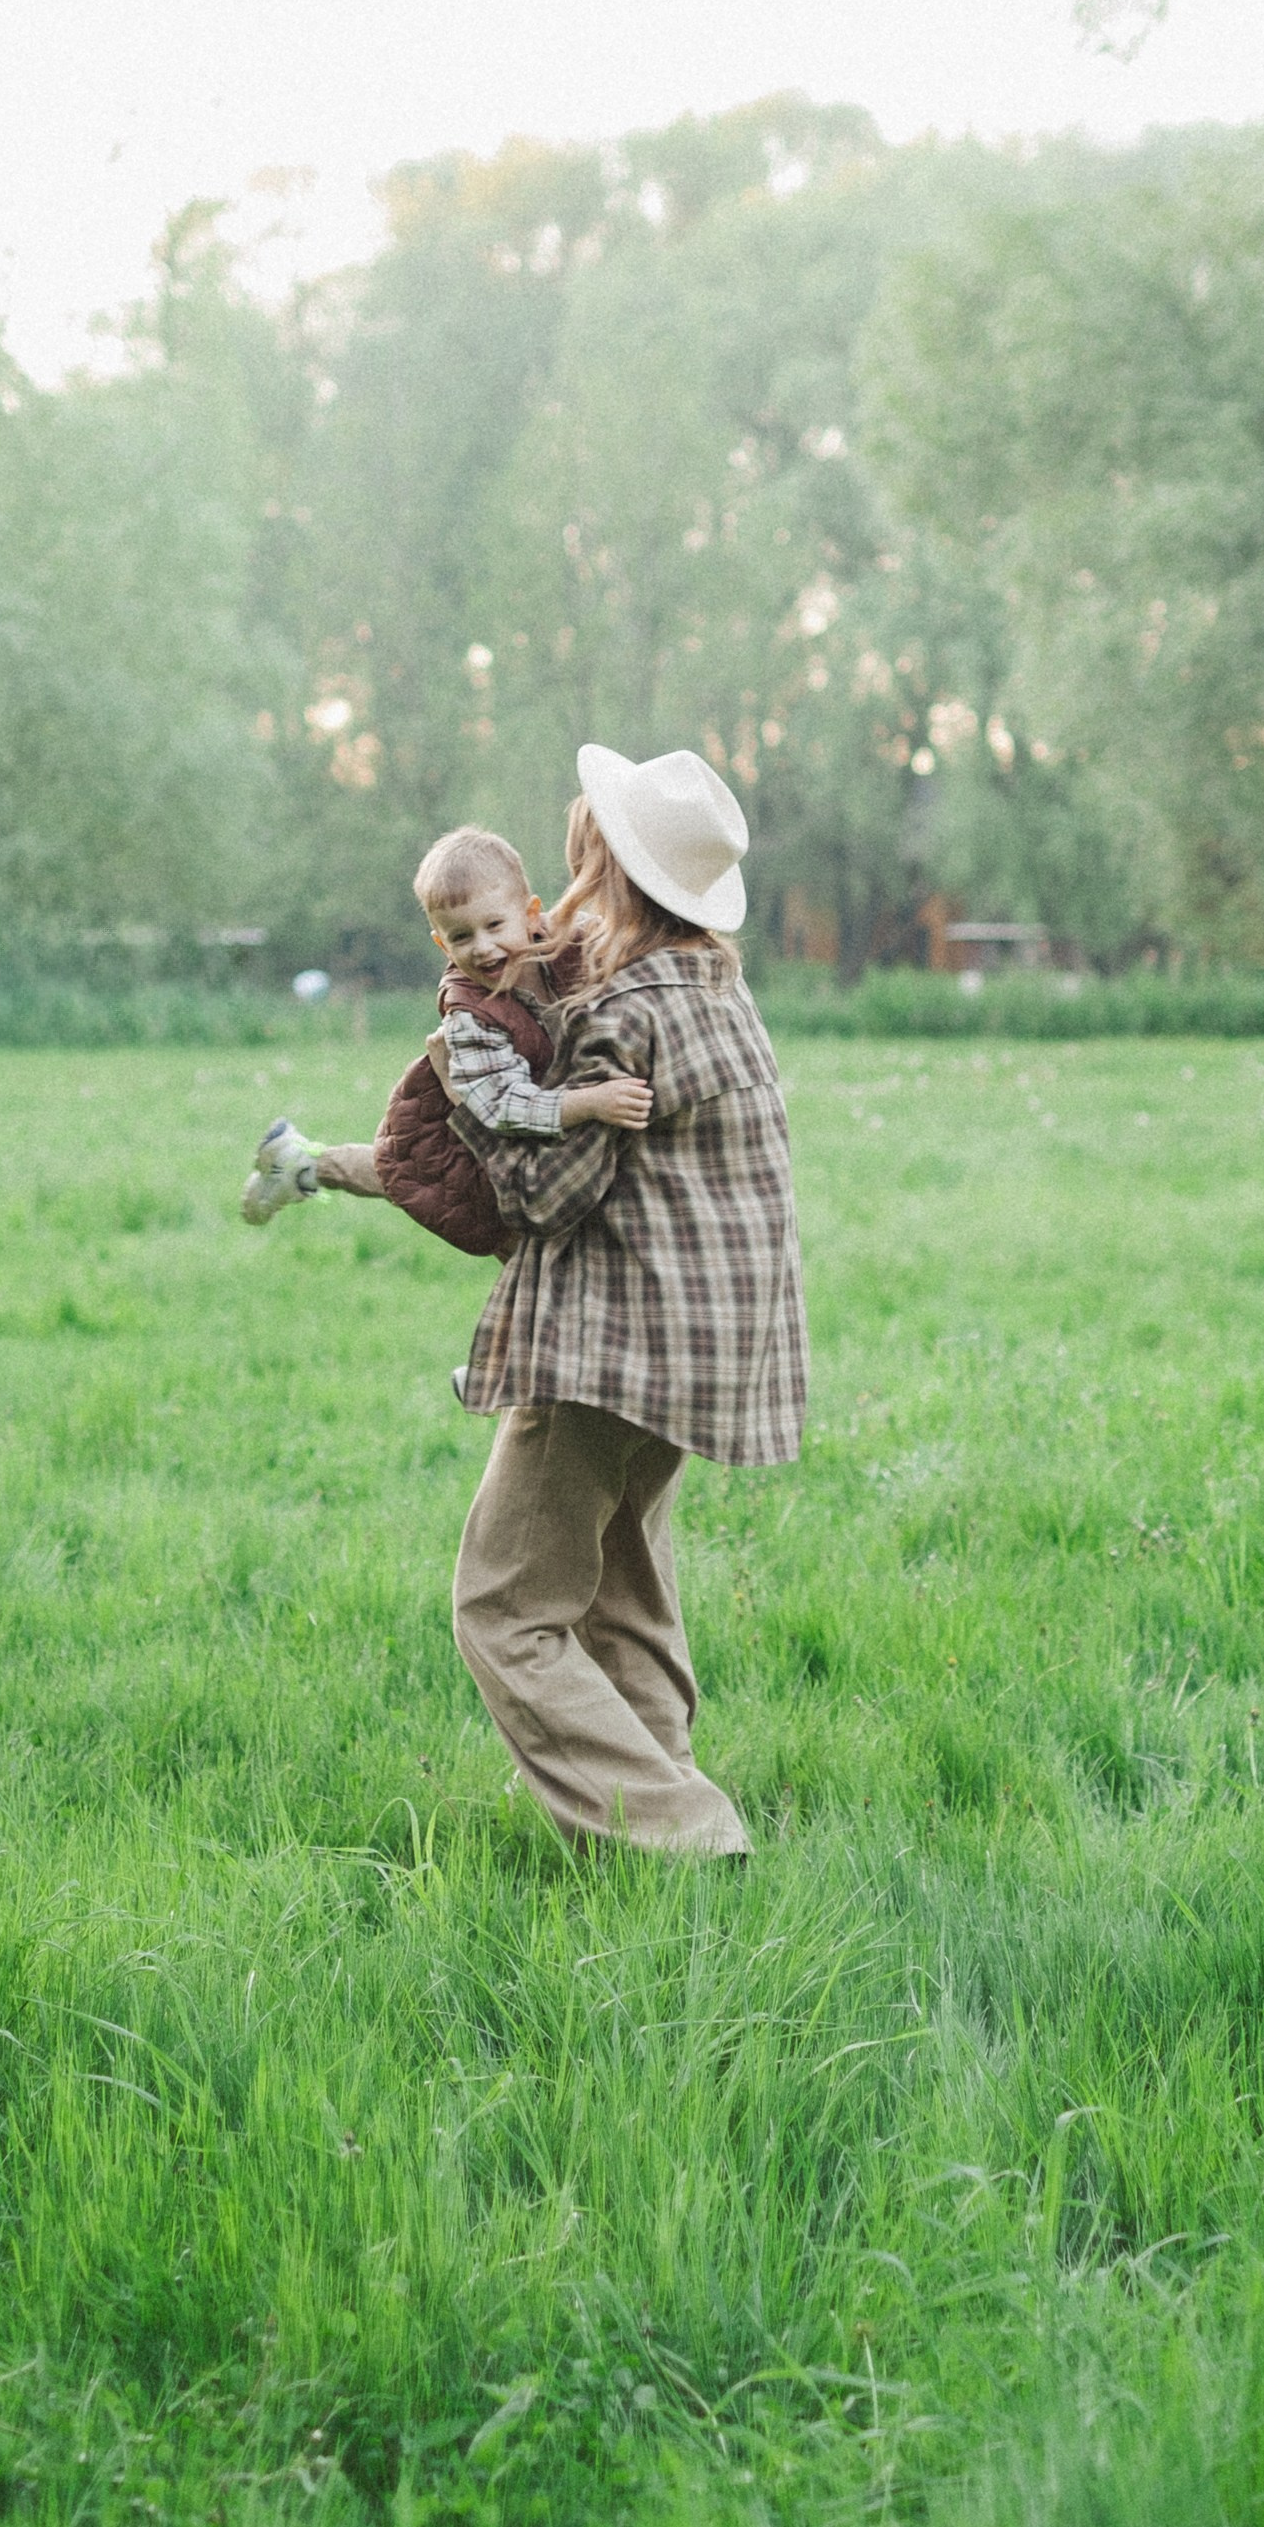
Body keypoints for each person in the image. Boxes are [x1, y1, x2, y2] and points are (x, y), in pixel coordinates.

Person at [439, 743, 807, 1856]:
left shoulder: (621, 1013)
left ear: (606, 868)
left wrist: (468, 1104)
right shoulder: (718, 989)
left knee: (504, 1608)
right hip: (710, 1347)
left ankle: (682, 1832)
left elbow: (544, 1196)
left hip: (614, 1346)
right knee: (622, 1589)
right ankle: (671, 1832)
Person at [239, 825, 651, 1233]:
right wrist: (591, 1102)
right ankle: (301, 1165)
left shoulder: (577, 937)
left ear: (530, 914)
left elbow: (629, 944)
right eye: (462, 936)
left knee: (419, 1179)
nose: (482, 947)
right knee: (432, 1185)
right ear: (443, 945)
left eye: (494, 925)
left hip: (539, 1109)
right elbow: (504, 1107)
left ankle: (299, 1164)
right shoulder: (469, 1016)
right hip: (476, 1118)